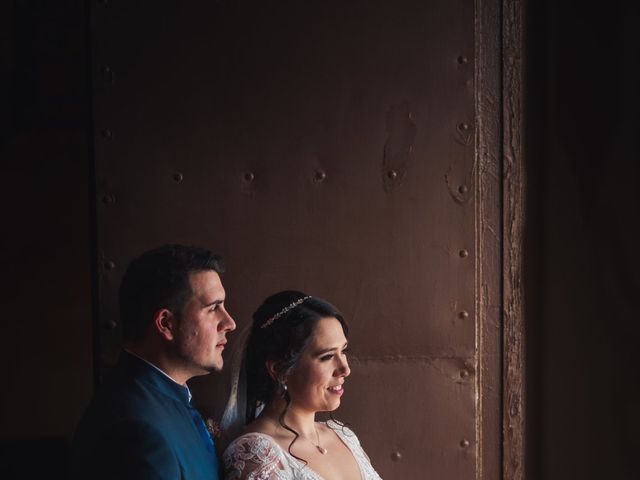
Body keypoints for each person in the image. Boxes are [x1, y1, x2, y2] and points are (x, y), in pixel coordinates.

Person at [72, 244, 236, 480]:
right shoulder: (137, 428)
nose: (229, 322)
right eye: (213, 308)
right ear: (166, 324)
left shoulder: (164, 397)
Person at [222, 291, 382, 479]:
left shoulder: (344, 436)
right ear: (279, 369)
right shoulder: (255, 454)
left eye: (343, 351)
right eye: (327, 357)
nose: (345, 369)